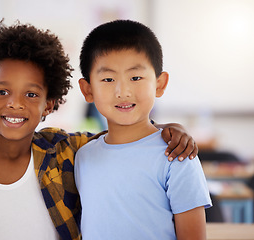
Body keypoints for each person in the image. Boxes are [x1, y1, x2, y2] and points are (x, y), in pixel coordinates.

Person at [0, 20, 199, 240]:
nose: (16, 104)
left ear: (49, 104)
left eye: (31, 95)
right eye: (2, 91)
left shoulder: (64, 152)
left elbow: (125, 138)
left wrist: (168, 129)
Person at [75, 20, 212, 240]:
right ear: (88, 90)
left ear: (159, 84)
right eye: (108, 79)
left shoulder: (177, 155)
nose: (123, 91)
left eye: (136, 77)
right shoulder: (83, 157)